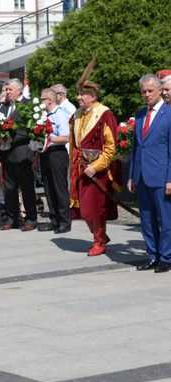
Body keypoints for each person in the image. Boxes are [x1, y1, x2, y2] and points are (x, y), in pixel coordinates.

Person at [69, 79, 119, 256]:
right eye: (79, 94)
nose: (78, 97)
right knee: (82, 207)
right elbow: (73, 144)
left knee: (94, 207)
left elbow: (110, 146)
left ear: (93, 96)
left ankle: (98, 241)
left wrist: (97, 166)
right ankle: (101, 236)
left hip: (97, 169)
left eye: (82, 94)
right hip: (79, 167)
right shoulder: (76, 115)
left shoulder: (105, 115)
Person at [128, 74, 171, 272]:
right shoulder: (139, 115)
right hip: (142, 176)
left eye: (150, 91)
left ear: (160, 90)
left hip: (161, 176)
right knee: (146, 219)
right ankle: (152, 255)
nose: (146, 95)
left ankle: (166, 257)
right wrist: (131, 175)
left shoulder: (168, 114)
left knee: (166, 219)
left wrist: (170, 178)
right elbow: (136, 148)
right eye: (143, 91)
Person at [0, 78, 38, 231]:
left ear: (19, 90)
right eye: (6, 90)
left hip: (22, 153)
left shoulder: (28, 105)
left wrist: (11, 138)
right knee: (9, 188)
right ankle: (11, 218)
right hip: (7, 153)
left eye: (10, 90)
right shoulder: (4, 107)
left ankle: (31, 218)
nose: (7, 92)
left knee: (27, 188)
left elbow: (30, 129)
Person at [36, 88, 71, 234]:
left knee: (59, 188)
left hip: (57, 153)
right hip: (45, 153)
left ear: (49, 100)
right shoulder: (45, 115)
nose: (40, 102)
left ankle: (64, 221)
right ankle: (54, 220)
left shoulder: (59, 114)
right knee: (49, 188)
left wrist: (47, 139)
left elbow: (65, 137)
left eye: (42, 99)